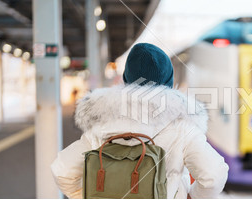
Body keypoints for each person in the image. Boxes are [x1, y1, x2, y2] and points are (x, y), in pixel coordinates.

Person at [51, 43, 229, 199]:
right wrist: (191, 197)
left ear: (126, 78)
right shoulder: (182, 126)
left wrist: (89, 198)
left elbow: (62, 171)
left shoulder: (102, 122)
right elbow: (213, 176)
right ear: (168, 81)